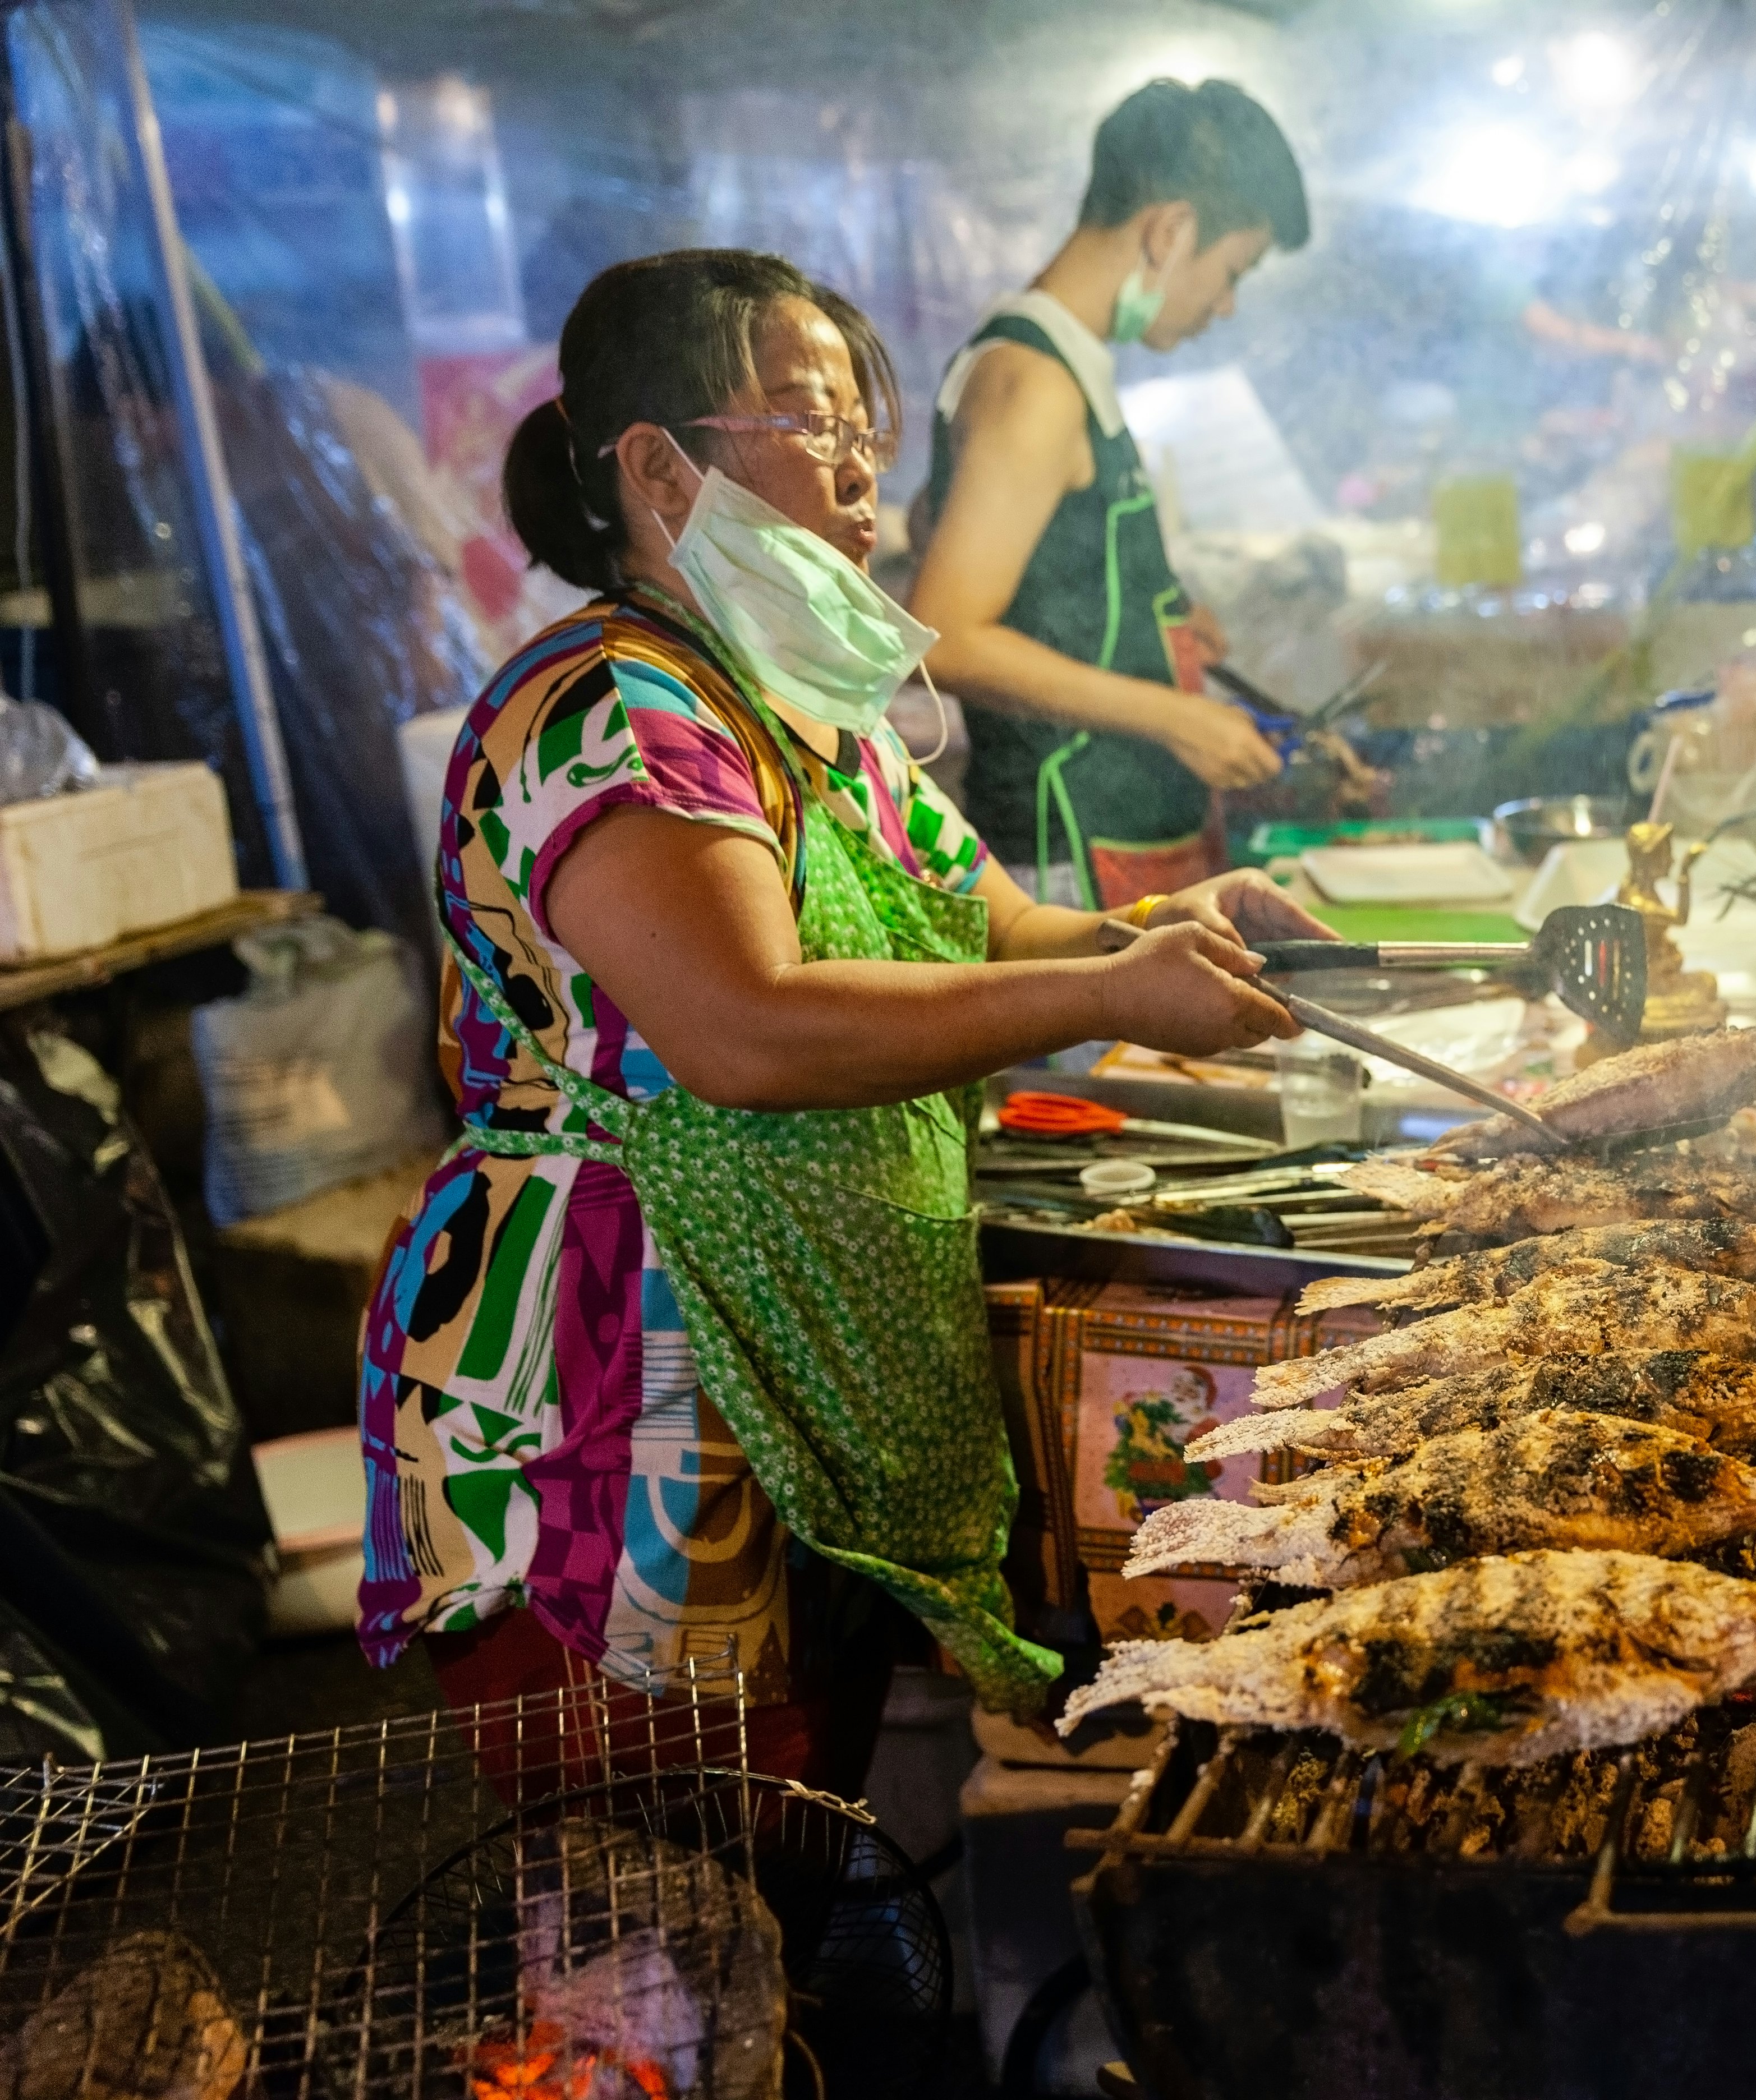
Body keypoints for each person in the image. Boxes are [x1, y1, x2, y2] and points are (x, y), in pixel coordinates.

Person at [358, 251, 1332, 1793]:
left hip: (798, 1352)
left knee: (798, 1841)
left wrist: (1163, 935)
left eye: (864, 416)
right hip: (620, 1381)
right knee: (658, 1913)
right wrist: (1100, 996)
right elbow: (745, 1028)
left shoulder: (803, 707)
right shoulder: (614, 705)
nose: (865, 458)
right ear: (657, 466)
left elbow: (990, 920)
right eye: (811, 419)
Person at [908, 79, 1312, 909]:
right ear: (1170, 230)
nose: (1226, 304)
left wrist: (1141, 620)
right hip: (1066, 858)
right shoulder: (1038, 383)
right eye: (1233, 269)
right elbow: (949, 636)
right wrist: (1179, 718)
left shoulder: (1044, 363)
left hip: (1113, 837)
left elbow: (940, 531)